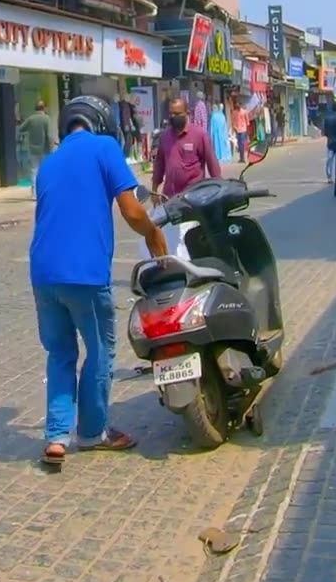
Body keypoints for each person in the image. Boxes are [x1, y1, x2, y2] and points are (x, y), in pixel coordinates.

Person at [30, 96, 168, 466]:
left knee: (60, 353)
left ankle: (57, 437)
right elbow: (131, 208)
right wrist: (154, 235)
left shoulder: (49, 163)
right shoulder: (104, 147)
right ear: (102, 123)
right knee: (100, 351)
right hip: (85, 274)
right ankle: (91, 433)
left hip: (43, 273)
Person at [152, 95, 221, 256]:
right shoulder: (165, 137)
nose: (173, 117)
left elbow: (212, 165)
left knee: (191, 240)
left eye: (177, 114)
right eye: (171, 114)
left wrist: (219, 190)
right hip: (170, 199)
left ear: (187, 113)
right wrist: (155, 188)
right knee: (173, 242)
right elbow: (159, 164)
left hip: (194, 200)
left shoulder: (199, 135)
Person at [18, 101, 58, 197]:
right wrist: (52, 146)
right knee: (45, 170)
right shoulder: (46, 118)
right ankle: (45, 192)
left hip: (32, 149)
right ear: (44, 108)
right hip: (45, 149)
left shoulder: (31, 119)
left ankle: (35, 194)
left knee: (34, 171)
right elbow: (49, 135)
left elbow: (21, 128)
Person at [320, 103, 336, 183]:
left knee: (329, 159)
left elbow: (323, 132)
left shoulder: (326, 118)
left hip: (330, 141)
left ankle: (329, 176)